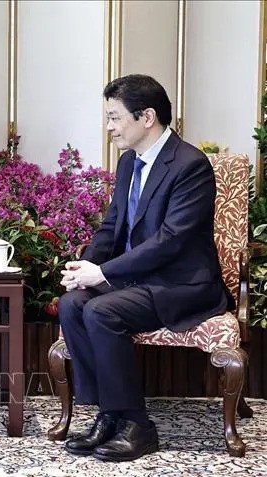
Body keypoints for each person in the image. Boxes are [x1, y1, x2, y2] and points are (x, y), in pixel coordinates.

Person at [58, 74, 233, 462]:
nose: (109, 128)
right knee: (72, 303)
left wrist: (103, 275)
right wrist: (86, 265)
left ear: (147, 116)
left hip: (181, 283)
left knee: (103, 310)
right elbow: (111, 226)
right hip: (137, 279)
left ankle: (137, 424)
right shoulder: (128, 163)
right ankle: (108, 413)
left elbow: (171, 240)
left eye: (115, 118)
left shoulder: (190, 165)